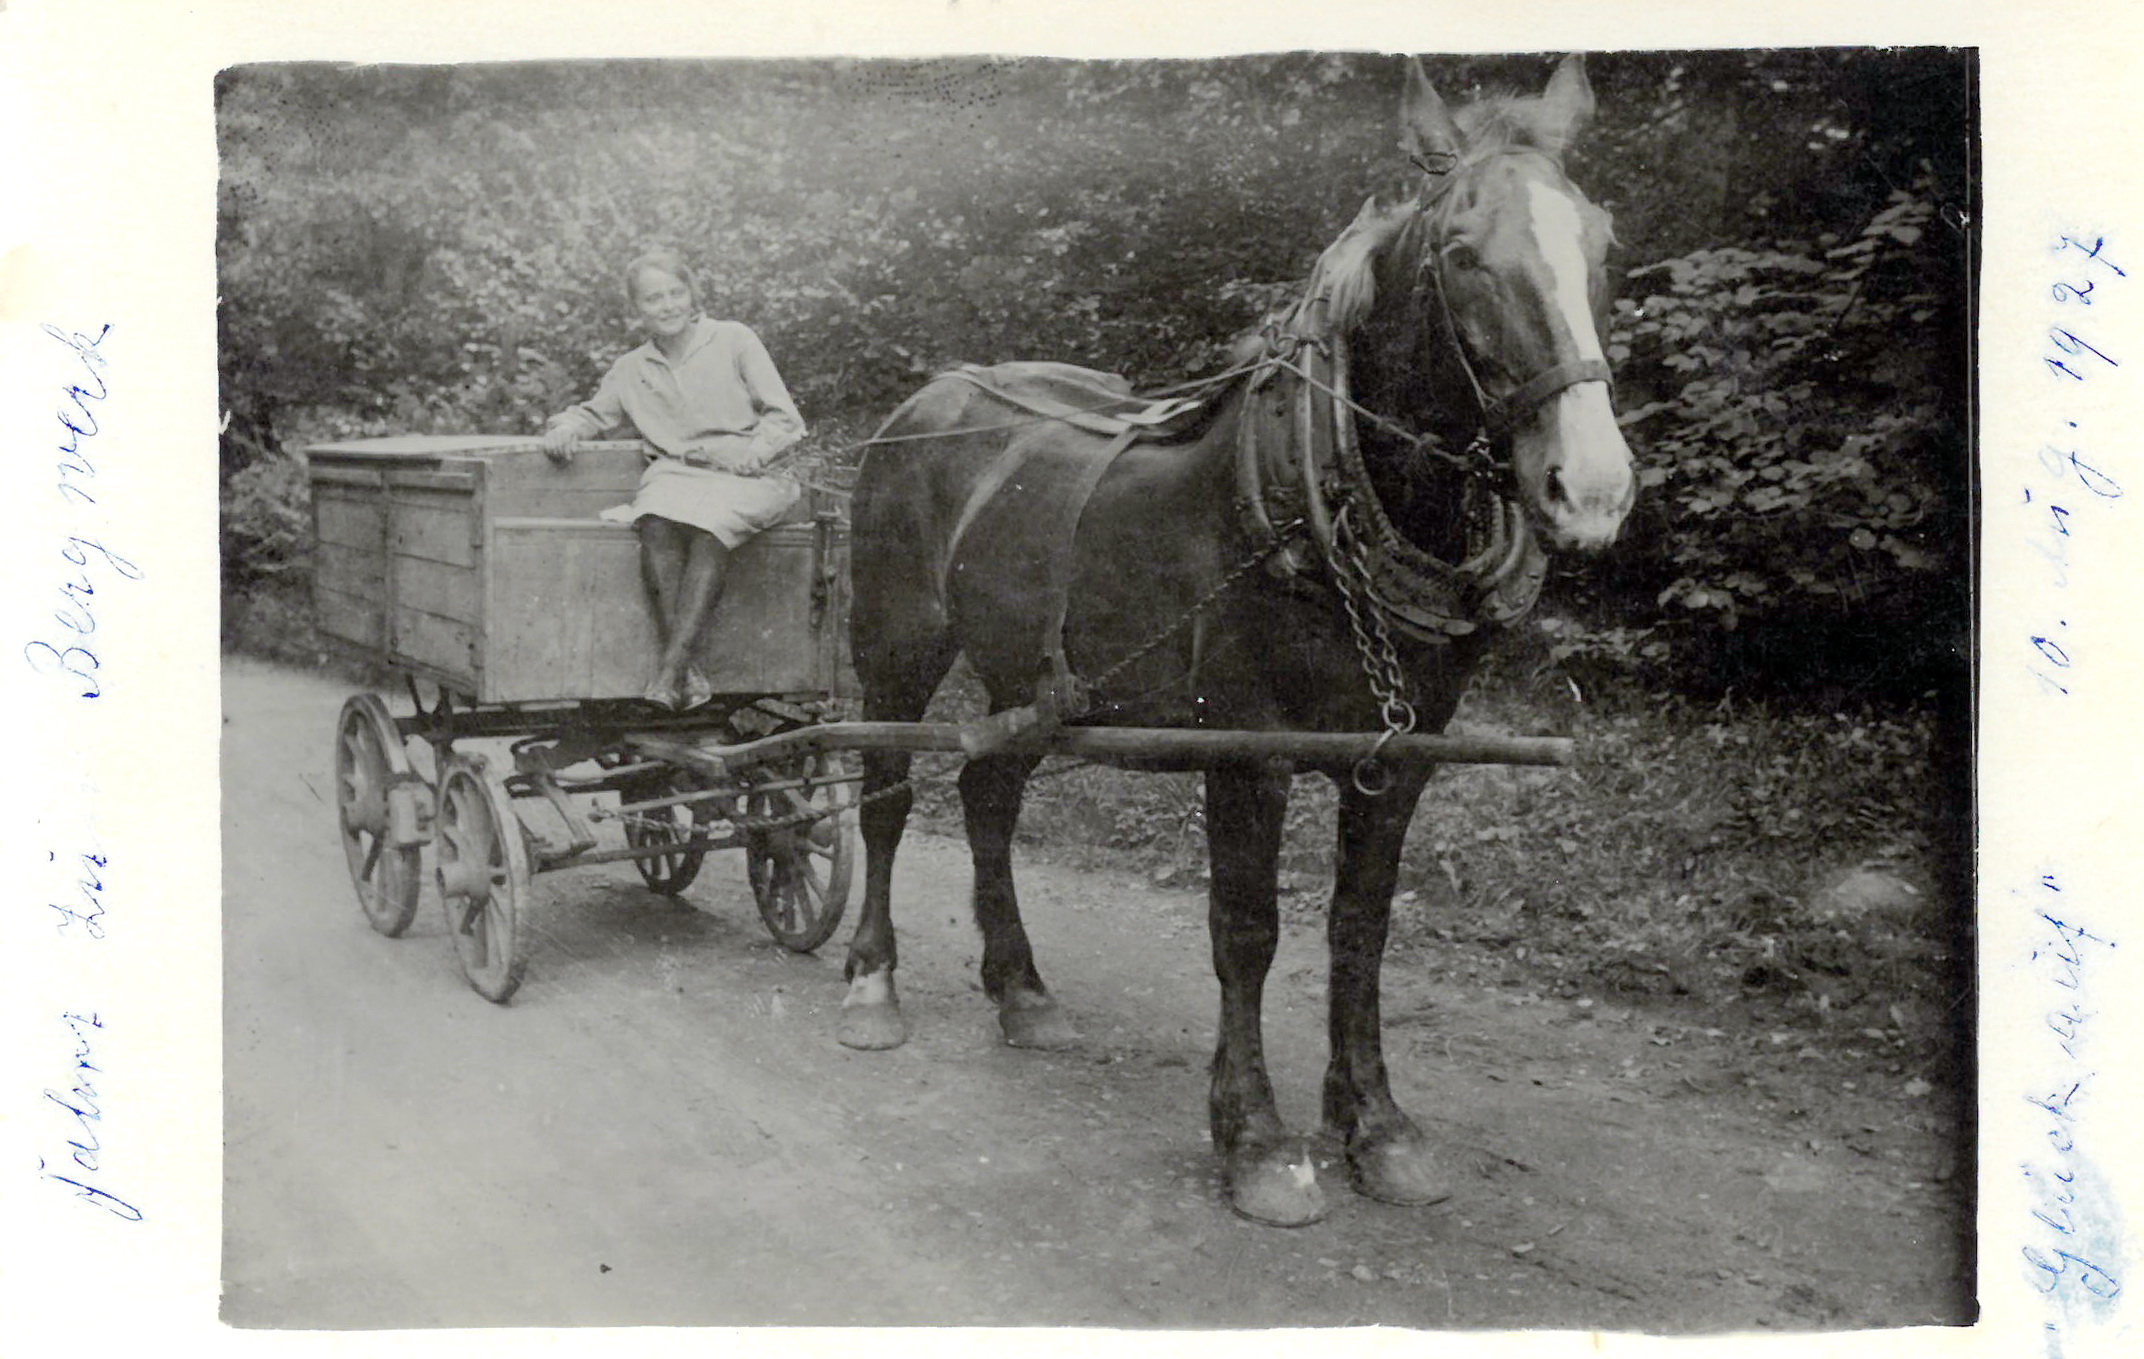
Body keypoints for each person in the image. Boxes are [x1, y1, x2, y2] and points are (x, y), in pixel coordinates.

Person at [542, 249, 806, 709]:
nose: (666, 306)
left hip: (750, 478)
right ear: (637, 309)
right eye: (653, 299)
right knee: (655, 519)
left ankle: (669, 671)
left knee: (709, 527)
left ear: (692, 294)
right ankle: (689, 671)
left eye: (674, 293)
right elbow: (591, 414)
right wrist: (565, 428)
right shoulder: (631, 369)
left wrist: (755, 450)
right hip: (677, 478)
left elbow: (784, 417)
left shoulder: (733, 340)